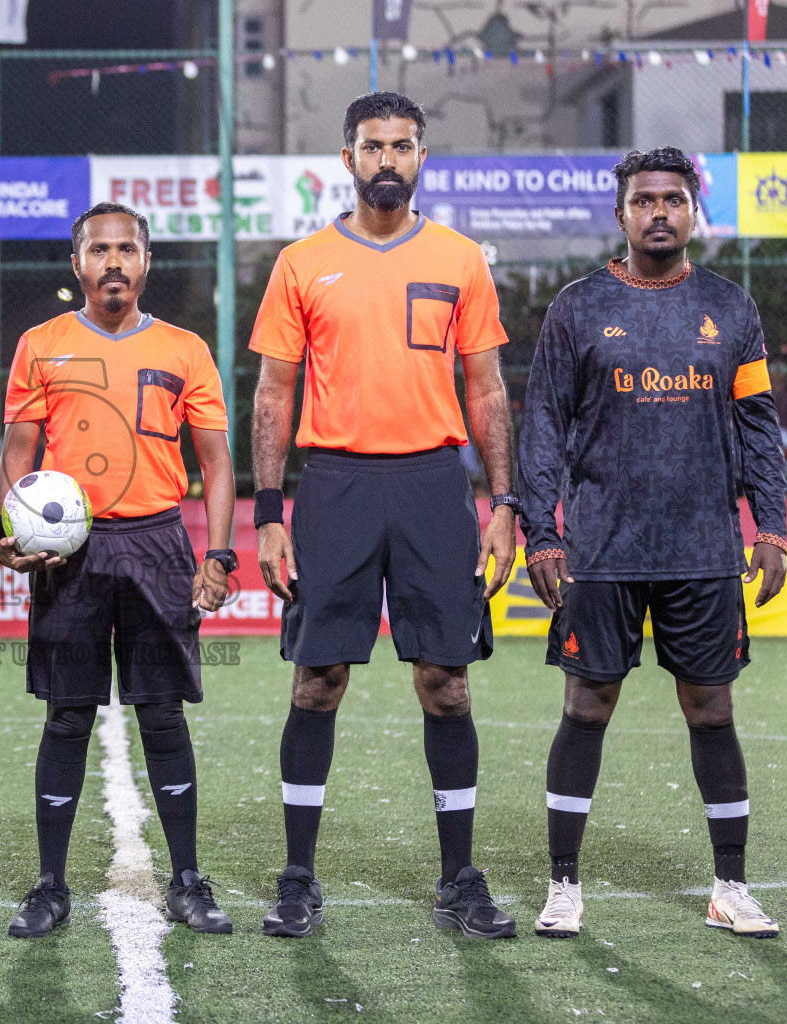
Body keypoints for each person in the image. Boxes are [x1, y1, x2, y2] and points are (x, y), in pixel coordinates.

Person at [249, 91, 519, 940]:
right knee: (318, 679)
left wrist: (503, 503)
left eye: (403, 146)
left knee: (446, 682)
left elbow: (486, 387)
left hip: (437, 485)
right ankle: (297, 876)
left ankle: (459, 878)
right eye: (374, 146)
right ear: (348, 159)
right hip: (334, 484)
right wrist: (267, 510)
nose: (388, 159)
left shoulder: (461, 258)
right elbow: (274, 391)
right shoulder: (301, 263)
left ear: (422, 158)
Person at [520, 147, 787, 940]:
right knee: (587, 706)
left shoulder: (732, 309)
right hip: (601, 549)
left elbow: (758, 427)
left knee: (712, 710)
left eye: (674, 198)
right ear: (622, 214)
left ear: (694, 209)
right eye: (645, 200)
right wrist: (542, 531)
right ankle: (563, 884)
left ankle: (731, 886)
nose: (659, 212)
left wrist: (769, 525)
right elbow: (542, 428)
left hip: (704, 548)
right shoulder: (577, 307)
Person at [0, 203, 237, 938]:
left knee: (162, 714)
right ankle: (49, 885)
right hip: (70, 551)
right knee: (67, 715)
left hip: (159, 543)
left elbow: (218, 462)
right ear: (77, 264)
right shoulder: (41, 344)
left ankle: (188, 879)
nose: (112, 261)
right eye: (98, 249)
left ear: (145, 262)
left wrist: (220, 555)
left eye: (126, 248)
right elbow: (16, 451)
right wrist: (9, 527)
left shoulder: (185, 349)